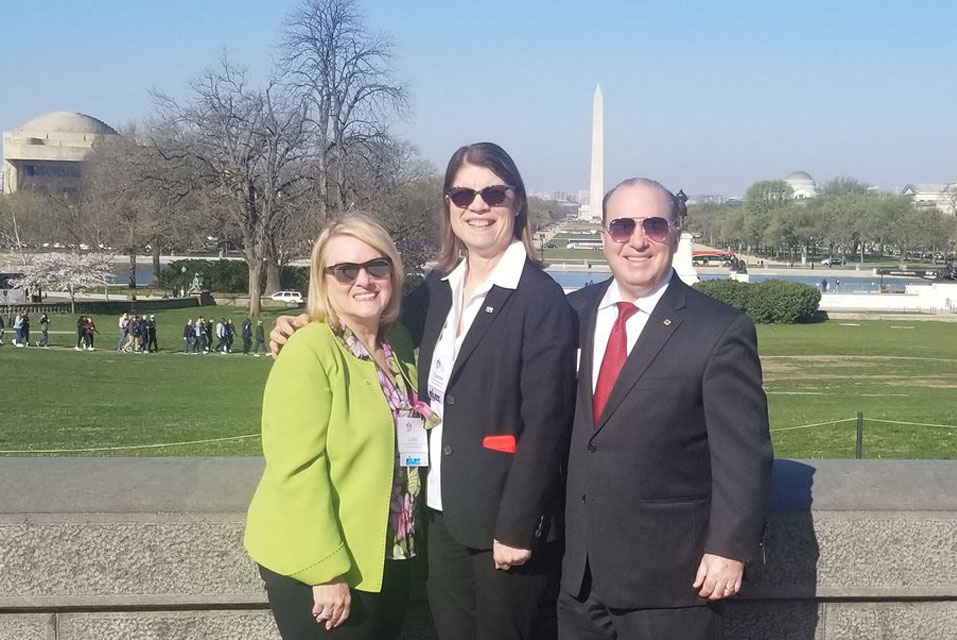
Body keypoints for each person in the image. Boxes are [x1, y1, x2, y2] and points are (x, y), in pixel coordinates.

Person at [271, 142, 578, 640]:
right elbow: (366, 307)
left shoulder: (540, 301)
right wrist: (304, 320)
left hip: (501, 527)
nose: (477, 206)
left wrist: (519, 525)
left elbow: (548, 421)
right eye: (462, 194)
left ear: (517, 202)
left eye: (493, 193)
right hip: (439, 520)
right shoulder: (438, 288)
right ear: (449, 205)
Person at [558, 178, 772, 640]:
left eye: (653, 225)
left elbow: (743, 453)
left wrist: (729, 548)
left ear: (674, 234)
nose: (637, 240)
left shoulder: (719, 330)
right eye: (622, 226)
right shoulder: (568, 314)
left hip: (673, 582)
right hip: (578, 577)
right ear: (603, 236)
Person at [245, 215, 426, 640]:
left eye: (376, 266)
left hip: (389, 554)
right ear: (322, 280)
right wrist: (324, 570)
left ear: (393, 272)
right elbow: (296, 469)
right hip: (326, 566)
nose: (363, 279)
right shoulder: (309, 349)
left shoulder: (396, 345)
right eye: (345, 270)